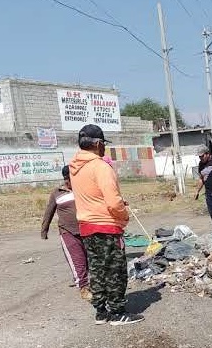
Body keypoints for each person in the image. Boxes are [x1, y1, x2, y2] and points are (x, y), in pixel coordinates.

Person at [69, 124, 144, 326]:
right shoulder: (101, 167)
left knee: (98, 269)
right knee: (115, 270)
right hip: (107, 226)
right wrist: (123, 215)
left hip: (86, 225)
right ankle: (117, 312)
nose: (104, 149)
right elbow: (112, 202)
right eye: (103, 145)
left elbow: (93, 195)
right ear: (98, 144)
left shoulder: (75, 168)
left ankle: (101, 311)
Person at [41, 165, 91, 301]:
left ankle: (94, 283)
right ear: (66, 179)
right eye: (70, 179)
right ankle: (84, 288)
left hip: (87, 229)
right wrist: (44, 230)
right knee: (77, 261)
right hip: (67, 232)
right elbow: (49, 212)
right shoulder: (57, 193)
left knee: (90, 259)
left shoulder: (83, 189)